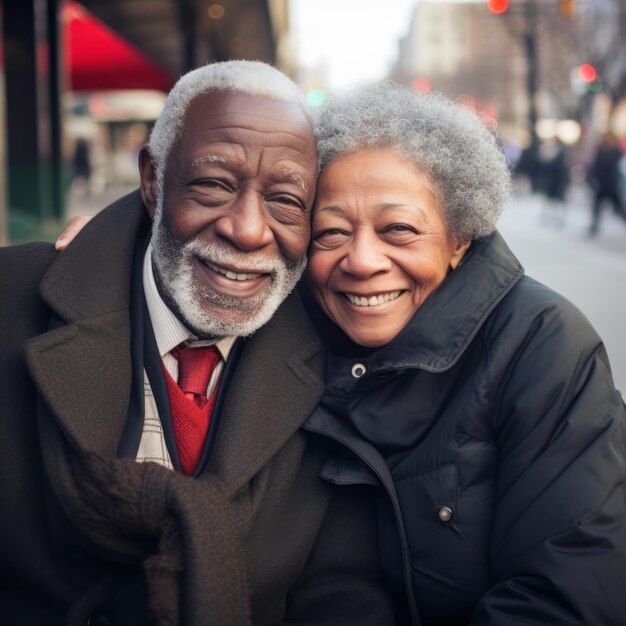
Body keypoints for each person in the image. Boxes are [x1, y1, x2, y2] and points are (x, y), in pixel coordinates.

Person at [0, 61, 393, 626]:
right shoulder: (16, 300)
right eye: (213, 184)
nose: (249, 230)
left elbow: (341, 586)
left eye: (286, 201)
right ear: (154, 182)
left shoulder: (341, 343)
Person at [298, 84, 626, 625]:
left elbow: (567, 591)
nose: (361, 260)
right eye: (331, 232)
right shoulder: (286, 342)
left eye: (397, 229)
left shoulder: (542, 342)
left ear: (459, 238)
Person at [587, 130, 626, 235]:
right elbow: (595, 167)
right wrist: (592, 180)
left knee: (619, 208)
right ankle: (594, 226)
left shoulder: (617, 152)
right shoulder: (601, 150)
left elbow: (620, 168)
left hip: (612, 184)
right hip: (601, 184)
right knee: (596, 206)